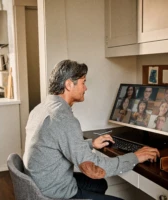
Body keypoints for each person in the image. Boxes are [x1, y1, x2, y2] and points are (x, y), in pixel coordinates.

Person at [23, 59, 160, 200]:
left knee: (100, 185)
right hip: (54, 193)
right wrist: (135, 157)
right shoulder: (62, 117)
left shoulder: (42, 108)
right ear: (69, 84)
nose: (86, 88)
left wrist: (90, 144)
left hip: (40, 184)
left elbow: (56, 143)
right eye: (83, 82)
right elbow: (93, 170)